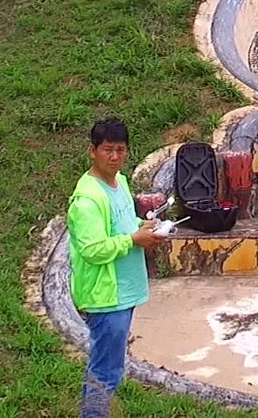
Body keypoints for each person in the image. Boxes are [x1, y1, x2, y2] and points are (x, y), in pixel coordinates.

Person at [68, 118, 166, 418]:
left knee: (111, 365)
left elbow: (123, 226)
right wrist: (133, 239)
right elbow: (93, 249)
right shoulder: (87, 200)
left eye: (120, 150)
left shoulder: (119, 181)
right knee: (105, 370)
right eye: (107, 150)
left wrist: (142, 227)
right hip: (106, 296)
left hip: (124, 291)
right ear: (92, 151)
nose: (114, 157)